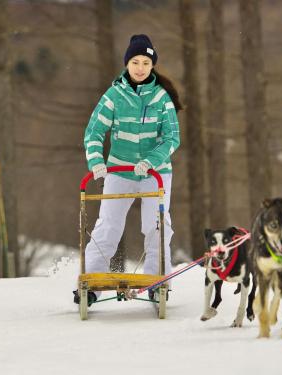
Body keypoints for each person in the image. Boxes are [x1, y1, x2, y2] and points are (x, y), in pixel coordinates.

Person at [74, 34, 182, 306]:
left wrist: (152, 160)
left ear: (152, 66)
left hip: (154, 174)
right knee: (108, 226)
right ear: (127, 63)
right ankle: (93, 283)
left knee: (156, 225)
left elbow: (172, 138)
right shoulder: (114, 95)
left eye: (146, 62)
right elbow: (94, 132)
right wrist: (96, 161)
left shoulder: (161, 98)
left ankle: (158, 283)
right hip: (119, 171)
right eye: (135, 61)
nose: (140, 67)